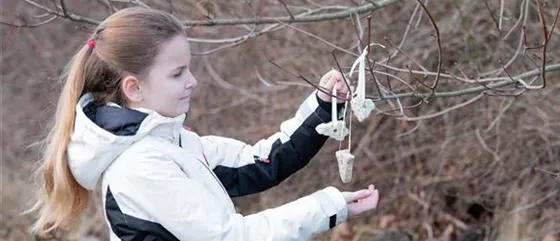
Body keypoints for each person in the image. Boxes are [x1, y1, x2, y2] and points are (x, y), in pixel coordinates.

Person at [27, 7, 379, 241]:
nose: (192, 81)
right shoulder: (140, 167)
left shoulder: (172, 142)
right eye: (178, 73)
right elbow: (231, 237)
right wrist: (329, 206)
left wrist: (322, 108)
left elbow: (262, 163)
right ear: (133, 88)